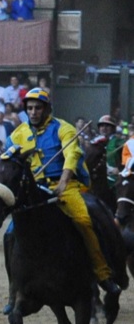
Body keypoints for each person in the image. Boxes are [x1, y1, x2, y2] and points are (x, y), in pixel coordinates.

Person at [9, 88, 119, 295]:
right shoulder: (18, 133)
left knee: (84, 222)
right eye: (30, 108)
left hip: (64, 187)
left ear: (47, 109)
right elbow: (8, 159)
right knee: (10, 233)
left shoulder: (64, 128)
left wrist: (63, 181)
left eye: (38, 108)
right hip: (34, 190)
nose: (33, 112)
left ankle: (103, 274)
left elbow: (72, 155)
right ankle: (13, 288)